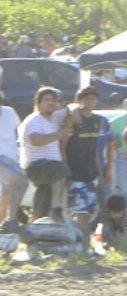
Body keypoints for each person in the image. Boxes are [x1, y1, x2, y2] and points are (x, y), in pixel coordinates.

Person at [64, 86, 113, 236]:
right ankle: (82, 243)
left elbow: (95, 150)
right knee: (81, 211)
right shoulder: (73, 119)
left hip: (91, 172)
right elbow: (63, 145)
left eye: (93, 98)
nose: (90, 101)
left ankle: (84, 241)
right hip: (75, 172)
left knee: (90, 211)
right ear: (79, 100)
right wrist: (65, 169)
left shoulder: (98, 120)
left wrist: (100, 172)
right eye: (87, 98)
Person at [19, 87, 72, 222]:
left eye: (53, 100)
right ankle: (56, 208)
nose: (50, 103)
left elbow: (70, 112)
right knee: (61, 170)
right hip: (37, 166)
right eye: (46, 100)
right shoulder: (34, 120)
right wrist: (58, 135)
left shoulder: (53, 119)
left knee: (43, 198)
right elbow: (35, 140)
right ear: (38, 103)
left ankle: (34, 225)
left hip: (48, 168)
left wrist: (61, 103)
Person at [0, 92, 26, 232]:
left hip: (12, 160)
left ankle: (3, 229)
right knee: (21, 182)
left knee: (6, 195)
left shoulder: (9, 112)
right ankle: (12, 220)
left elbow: (20, 132)